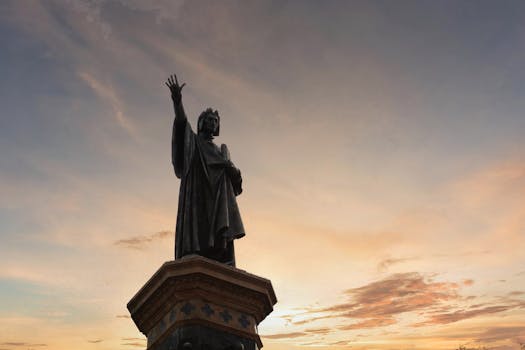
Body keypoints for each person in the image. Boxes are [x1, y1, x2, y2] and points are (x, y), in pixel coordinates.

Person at [165, 74, 245, 266]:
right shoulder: (193, 142)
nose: (211, 122)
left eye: (214, 121)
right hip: (199, 194)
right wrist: (178, 102)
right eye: (207, 119)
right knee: (198, 230)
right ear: (201, 123)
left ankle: (221, 253)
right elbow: (182, 124)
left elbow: (237, 184)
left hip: (219, 198)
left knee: (220, 233)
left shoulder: (222, 151)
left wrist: (229, 166)